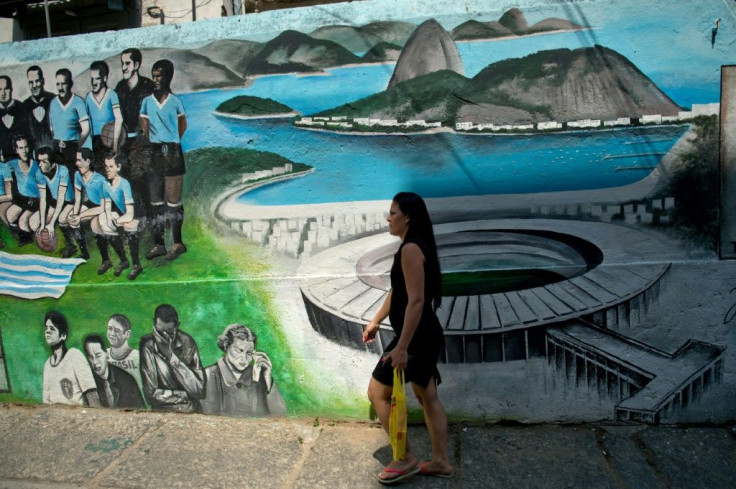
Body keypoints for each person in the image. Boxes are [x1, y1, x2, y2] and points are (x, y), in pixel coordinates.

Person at [362, 192, 452, 484]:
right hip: (424, 333)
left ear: (407, 217)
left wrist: (401, 347)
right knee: (428, 396)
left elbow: (415, 301)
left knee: (377, 393)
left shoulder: (411, 249)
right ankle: (439, 462)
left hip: (414, 337)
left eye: (392, 213)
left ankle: (405, 457)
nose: (388, 218)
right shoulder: (415, 246)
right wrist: (376, 320)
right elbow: (398, 292)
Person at [139, 59, 188, 261]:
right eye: (153, 76)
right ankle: (159, 244)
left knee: (173, 202)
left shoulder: (176, 102)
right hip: (155, 154)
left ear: (168, 77)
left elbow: (182, 126)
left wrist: (170, 142)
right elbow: (145, 125)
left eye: (159, 76)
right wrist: (157, 144)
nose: (155, 80)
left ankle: (177, 243)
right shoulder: (147, 102)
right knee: (156, 202)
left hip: (173, 154)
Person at [202, 324, 286, 417]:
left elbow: (278, 414)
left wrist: (267, 379)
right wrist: (255, 386)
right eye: (239, 351)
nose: (244, 358)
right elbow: (212, 416)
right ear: (227, 347)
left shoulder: (257, 373)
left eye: (249, 353)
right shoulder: (210, 374)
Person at [139, 304, 205, 412]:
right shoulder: (148, 346)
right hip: (163, 413)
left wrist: (173, 359)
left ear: (177, 326)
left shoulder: (187, 342)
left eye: (169, 332)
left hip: (191, 412)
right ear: (154, 323)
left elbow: (199, 390)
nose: (163, 337)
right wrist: (184, 395)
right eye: (159, 332)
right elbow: (151, 395)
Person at [116, 48, 154, 220]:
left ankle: (150, 220)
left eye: (127, 63)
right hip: (124, 144)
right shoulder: (120, 88)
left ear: (136, 65)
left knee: (143, 183)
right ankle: (132, 219)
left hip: (143, 143)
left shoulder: (148, 87)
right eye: (122, 64)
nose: (124, 67)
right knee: (127, 182)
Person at [98, 152, 143, 280]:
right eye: (106, 167)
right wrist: (109, 220)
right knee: (105, 223)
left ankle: (136, 265)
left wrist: (117, 221)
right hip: (123, 214)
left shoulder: (124, 184)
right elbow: (107, 205)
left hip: (137, 213)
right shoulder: (105, 185)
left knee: (129, 224)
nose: (107, 170)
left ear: (118, 167)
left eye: (111, 167)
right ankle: (123, 260)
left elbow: (130, 213)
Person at [42, 310, 101, 406]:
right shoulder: (47, 365)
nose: (48, 331)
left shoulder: (74, 356)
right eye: (46, 328)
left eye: (52, 328)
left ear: (63, 335)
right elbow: (46, 403)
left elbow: (92, 394)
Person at [29, 146, 75, 256]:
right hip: (54, 202)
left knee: (61, 219)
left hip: (68, 201)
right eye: (39, 161)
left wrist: (52, 223)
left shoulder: (63, 170)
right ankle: (50, 241)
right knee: (34, 224)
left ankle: (71, 245)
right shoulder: (39, 173)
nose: (40, 165)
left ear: (53, 162)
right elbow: (43, 199)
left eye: (44, 161)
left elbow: (61, 197)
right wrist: (43, 223)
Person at [83, 334, 144, 409]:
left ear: (107, 354)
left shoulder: (126, 380)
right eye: (91, 357)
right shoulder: (88, 383)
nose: (95, 362)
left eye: (98, 356)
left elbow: (140, 410)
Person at [49, 68, 90, 177]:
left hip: (72, 147)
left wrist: (78, 146)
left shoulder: (78, 101)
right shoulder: (53, 103)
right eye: (58, 84)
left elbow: (86, 129)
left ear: (70, 84)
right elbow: (52, 129)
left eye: (64, 84)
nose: (60, 88)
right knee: (59, 179)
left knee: (72, 178)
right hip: (57, 147)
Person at [67, 148, 107, 260]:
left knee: (94, 225)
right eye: (76, 160)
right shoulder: (77, 175)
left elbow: (103, 207)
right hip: (90, 204)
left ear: (88, 161)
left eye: (80, 160)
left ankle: (105, 259)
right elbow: (78, 198)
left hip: (102, 207)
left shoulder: (100, 180)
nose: (77, 163)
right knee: (72, 220)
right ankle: (84, 252)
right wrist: (74, 215)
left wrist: (80, 216)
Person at [85, 61, 123, 169]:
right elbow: (88, 126)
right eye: (92, 79)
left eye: (97, 78)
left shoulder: (112, 94)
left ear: (105, 78)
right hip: (95, 143)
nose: (93, 82)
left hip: (110, 141)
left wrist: (115, 146)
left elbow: (119, 119)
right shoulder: (88, 97)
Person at [5, 135, 40, 246]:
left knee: (23, 222)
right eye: (20, 148)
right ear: (16, 150)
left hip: (36, 199)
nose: (24, 151)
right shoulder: (12, 164)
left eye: (25, 147)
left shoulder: (37, 164)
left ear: (29, 148)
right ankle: (21, 235)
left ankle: (28, 237)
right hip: (22, 198)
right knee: (10, 215)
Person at [105, 313, 143, 392]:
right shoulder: (103, 355)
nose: (112, 334)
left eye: (117, 330)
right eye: (109, 328)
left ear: (127, 334)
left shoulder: (139, 357)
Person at [22, 66, 54, 150]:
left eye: (37, 81)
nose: (34, 85)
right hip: (35, 156)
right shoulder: (25, 105)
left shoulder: (53, 100)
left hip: (53, 154)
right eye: (31, 82)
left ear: (42, 81)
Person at [0, 75, 27, 162]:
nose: (3, 93)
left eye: (6, 89)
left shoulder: (21, 108)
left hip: (20, 161)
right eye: (0, 89)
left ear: (11, 89)